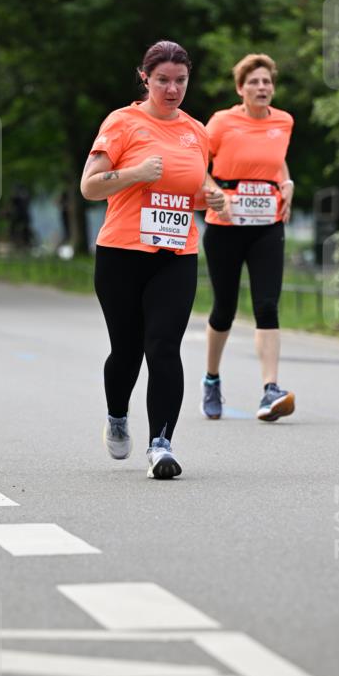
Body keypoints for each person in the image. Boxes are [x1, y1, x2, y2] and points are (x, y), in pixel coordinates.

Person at [80, 40, 225, 480]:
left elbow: (192, 189)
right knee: (126, 352)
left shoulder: (197, 132)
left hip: (175, 253)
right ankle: (117, 416)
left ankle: (161, 444)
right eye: (162, 80)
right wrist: (134, 174)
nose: (172, 89)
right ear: (144, 78)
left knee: (163, 347)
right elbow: (89, 186)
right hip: (122, 253)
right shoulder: (123, 123)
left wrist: (211, 196)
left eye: (180, 80)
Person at [200, 53, 296, 421]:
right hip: (225, 225)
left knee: (267, 305)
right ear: (241, 88)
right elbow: (198, 164)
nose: (262, 88)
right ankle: (211, 379)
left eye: (267, 82)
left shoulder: (284, 121)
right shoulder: (222, 122)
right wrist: (215, 193)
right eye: (254, 82)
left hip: (268, 224)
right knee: (224, 308)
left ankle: (270, 389)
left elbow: (277, 161)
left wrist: (287, 184)